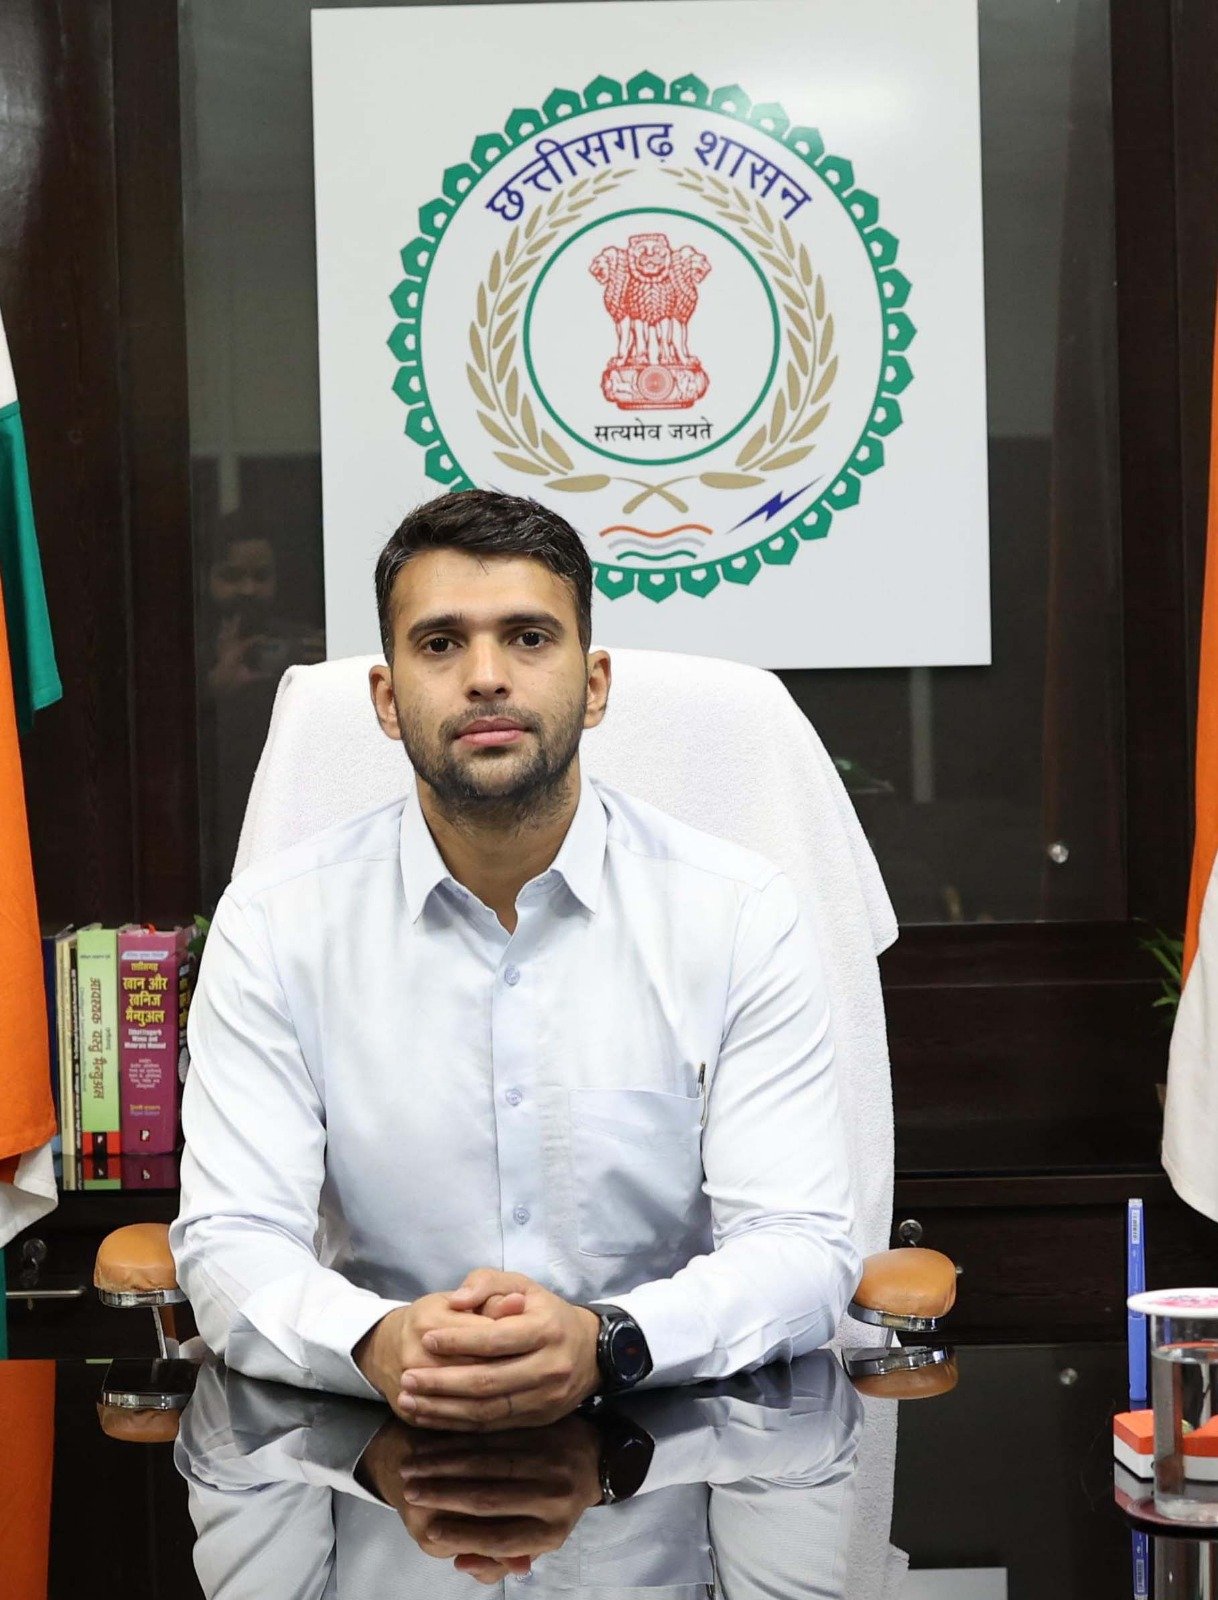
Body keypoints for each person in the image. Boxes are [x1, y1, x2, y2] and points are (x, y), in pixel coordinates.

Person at [169, 489, 859, 1433]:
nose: (487, 678)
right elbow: (231, 1237)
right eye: (441, 643)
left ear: (596, 684)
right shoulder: (274, 924)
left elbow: (801, 1244)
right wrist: (376, 1340)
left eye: (529, 638)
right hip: (373, 1453)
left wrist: (609, 1339)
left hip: (668, 1446)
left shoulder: (738, 914)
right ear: (386, 699)